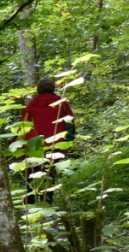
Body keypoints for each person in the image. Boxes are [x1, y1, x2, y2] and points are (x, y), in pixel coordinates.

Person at [21, 76, 75, 204]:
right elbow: (70, 123)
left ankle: (30, 199)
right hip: (55, 145)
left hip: (34, 146)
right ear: (53, 88)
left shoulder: (31, 105)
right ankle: (47, 199)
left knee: (32, 173)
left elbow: (23, 126)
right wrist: (68, 141)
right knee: (50, 173)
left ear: (38, 89)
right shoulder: (61, 103)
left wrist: (21, 145)